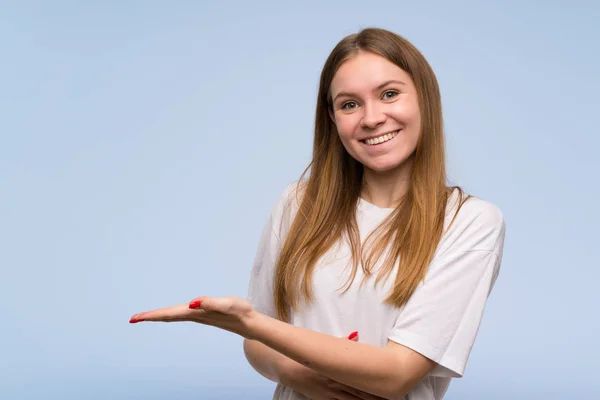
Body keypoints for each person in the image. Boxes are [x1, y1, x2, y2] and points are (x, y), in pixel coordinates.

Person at [129, 27, 506, 400]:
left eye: (389, 94)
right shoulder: (298, 204)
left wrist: (250, 324)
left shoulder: (470, 223)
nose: (371, 118)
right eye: (349, 104)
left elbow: (397, 375)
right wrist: (295, 372)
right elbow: (257, 346)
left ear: (425, 98)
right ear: (332, 117)